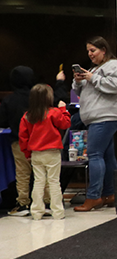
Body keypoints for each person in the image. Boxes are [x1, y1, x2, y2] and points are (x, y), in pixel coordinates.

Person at [72, 36, 117, 212]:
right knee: (106, 156)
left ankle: (93, 196)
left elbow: (116, 86)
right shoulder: (94, 69)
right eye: (88, 51)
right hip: (96, 117)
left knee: (94, 154)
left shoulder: (116, 66)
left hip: (104, 117)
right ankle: (110, 194)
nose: (90, 54)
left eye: (93, 50)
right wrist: (79, 80)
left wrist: (92, 77)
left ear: (104, 50)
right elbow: (81, 91)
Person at [19, 84, 70, 220]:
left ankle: (36, 211)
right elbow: (65, 124)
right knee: (54, 182)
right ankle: (58, 212)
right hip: (52, 152)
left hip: (36, 153)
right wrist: (63, 109)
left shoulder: (27, 116)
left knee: (38, 181)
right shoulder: (54, 112)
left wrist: (27, 154)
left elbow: (23, 137)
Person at [0, 66, 38, 215]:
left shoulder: (9, 100)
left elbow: (2, 121)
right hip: (41, 143)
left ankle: (23, 203)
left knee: (22, 173)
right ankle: (47, 202)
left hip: (19, 142)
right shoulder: (37, 98)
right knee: (43, 173)